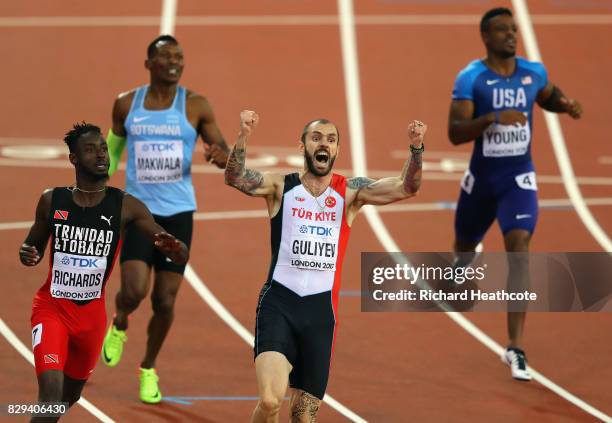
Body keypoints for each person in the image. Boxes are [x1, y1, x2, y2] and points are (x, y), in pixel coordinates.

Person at [225, 110, 425, 422]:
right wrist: (243, 136)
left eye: (331, 140)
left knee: (303, 417)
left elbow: (406, 187)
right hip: (279, 304)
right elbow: (235, 177)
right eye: (316, 138)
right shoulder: (282, 187)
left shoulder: (350, 192)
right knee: (269, 400)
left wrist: (416, 148)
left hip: (320, 315)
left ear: (336, 150)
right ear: (302, 145)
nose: (324, 144)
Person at [20, 123, 188, 422]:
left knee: (68, 396)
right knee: (50, 391)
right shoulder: (52, 200)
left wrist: (174, 248)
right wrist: (28, 252)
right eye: (89, 149)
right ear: (73, 158)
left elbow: (178, 251)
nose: (100, 154)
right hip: (52, 309)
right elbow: (31, 247)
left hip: (91, 318)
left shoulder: (126, 206)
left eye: (103, 148)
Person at [447, 7, 582, 381]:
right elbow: (455, 132)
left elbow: (548, 95)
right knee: (462, 243)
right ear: (486, 37)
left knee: (520, 249)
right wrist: (491, 118)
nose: (511, 35)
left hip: (518, 179)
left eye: (514, 30)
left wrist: (566, 105)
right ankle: (465, 257)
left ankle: (515, 347)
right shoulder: (471, 78)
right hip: (482, 180)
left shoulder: (532, 72)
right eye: (503, 30)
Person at [102, 34, 229, 403]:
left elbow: (223, 150)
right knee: (134, 291)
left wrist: (223, 156)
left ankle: (148, 368)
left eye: (179, 56)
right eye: (165, 56)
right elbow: (110, 156)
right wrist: (93, 188)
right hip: (139, 212)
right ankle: (120, 321)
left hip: (178, 215)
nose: (174, 62)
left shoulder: (196, 106)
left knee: (165, 302)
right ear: (148, 65)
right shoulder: (127, 105)